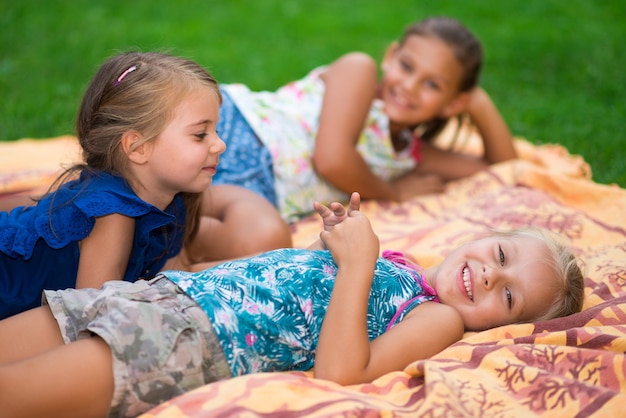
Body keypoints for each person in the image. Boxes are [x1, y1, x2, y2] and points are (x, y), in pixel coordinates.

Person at [0, 192, 585, 418]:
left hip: (187, 341)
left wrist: (356, 265)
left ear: (504, 326)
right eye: (501, 253)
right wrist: (328, 248)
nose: (488, 275)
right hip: (161, 296)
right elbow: (296, 291)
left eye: (507, 296)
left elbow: (340, 369)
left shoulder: (440, 317)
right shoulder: (404, 264)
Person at [0, 51, 290, 320]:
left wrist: (277, 270)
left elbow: (179, 279)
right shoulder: (112, 214)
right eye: (200, 134)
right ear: (137, 147)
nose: (220, 144)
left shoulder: (172, 200)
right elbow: (90, 318)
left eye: (216, 130)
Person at [210, 16, 517, 223]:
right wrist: (392, 192)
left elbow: (502, 167)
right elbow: (332, 159)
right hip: (237, 131)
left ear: (453, 103)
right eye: (407, 66)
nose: (409, 86)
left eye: (432, 84)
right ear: (390, 56)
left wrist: (478, 103)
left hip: (257, 195)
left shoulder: (410, 156)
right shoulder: (359, 72)